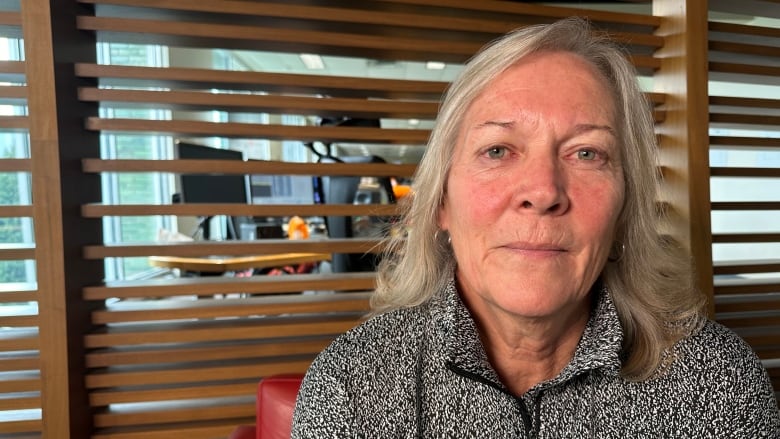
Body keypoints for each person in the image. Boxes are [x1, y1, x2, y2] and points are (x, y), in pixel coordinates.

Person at [291, 17, 780, 438]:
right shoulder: (351, 387)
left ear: (625, 207)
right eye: (498, 151)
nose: (544, 190)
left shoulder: (719, 383)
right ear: (441, 202)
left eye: (587, 153)